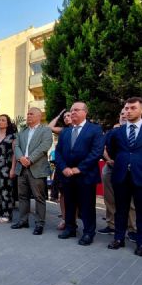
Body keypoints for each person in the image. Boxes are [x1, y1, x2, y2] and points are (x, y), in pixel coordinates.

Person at [106, 97, 142, 256]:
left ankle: (141, 243)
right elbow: (112, 151)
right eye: (126, 108)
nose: (128, 111)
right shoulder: (117, 132)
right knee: (121, 209)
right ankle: (119, 238)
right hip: (121, 176)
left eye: (132, 108)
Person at [56, 102, 105, 246]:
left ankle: (89, 232)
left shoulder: (95, 129)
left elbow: (96, 152)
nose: (73, 113)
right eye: (71, 111)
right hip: (67, 175)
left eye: (76, 110)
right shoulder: (65, 131)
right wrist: (64, 167)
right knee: (69, 203)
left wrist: (80, 168)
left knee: (87, 206)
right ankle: (70, 228)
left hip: (86, 175)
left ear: (85, 112)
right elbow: (58, 152)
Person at [11, 107, 53, 235]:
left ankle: (39, 224)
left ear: (39, 116)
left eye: (31, 114)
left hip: (36, 168)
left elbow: (44, 146)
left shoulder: (45, 130)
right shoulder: (22, 131)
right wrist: (20, 158)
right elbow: (16, 145)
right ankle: (23, 221)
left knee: (39, 197)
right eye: (27, 113)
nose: (28, 116)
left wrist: (30, 159)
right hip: (22, 168)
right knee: (22, 196)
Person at [99, 109, 137, 239]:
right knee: (110, 199)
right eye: (121, 114)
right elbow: (102, 148)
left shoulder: (136, 132)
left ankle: (132, 229)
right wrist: (109, 160)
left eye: (127, 113)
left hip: (129, 168)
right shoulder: (112, 132)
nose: (125, 115)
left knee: (130, 201)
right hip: (110, 168)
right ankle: (112, 225)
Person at [48, 110, 72, 230]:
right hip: (62, 166)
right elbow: (50, 127)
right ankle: (64, 218)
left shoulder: (84, 130)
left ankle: (72, 219)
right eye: (65, 116)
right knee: (63, 193)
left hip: (76, 167)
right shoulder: (63, 130)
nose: (66, 118)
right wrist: (58, 115)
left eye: (69, 115)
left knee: (75, 195)